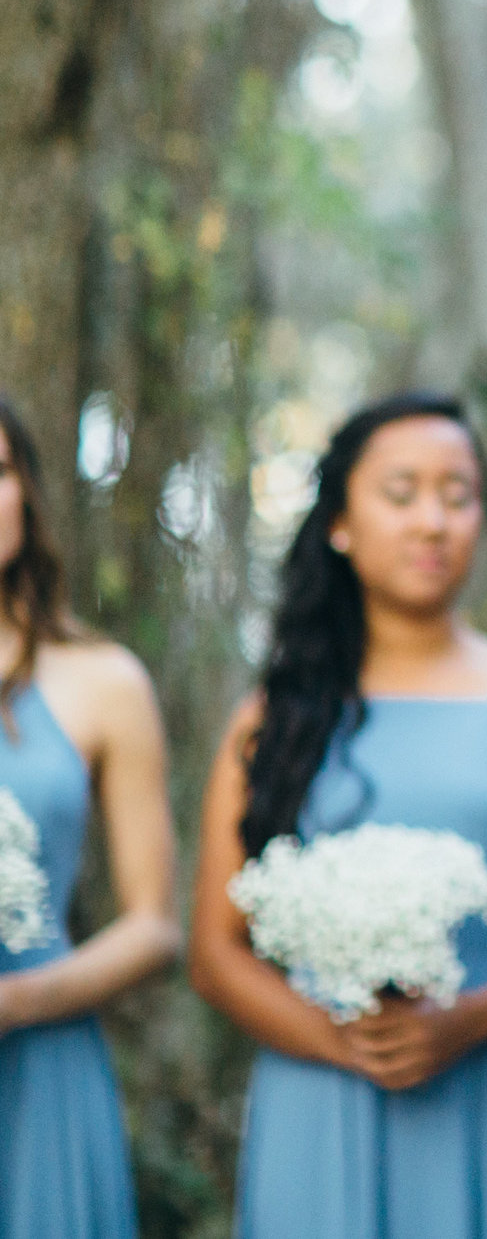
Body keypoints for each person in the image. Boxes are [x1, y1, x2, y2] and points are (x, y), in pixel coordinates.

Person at [191, 392, 487, 1239]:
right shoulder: (272, 720)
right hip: (318, 1101)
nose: (433, 521)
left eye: (458, 494)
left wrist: (470, 1020)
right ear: (340, 522)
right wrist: (344, 1040)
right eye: (401, 493)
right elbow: (216, 951)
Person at [0, 397, 180, 1239]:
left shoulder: (104, 681)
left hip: (42, 1068)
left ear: (27, 494)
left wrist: (17, 998)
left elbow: (154, 927)